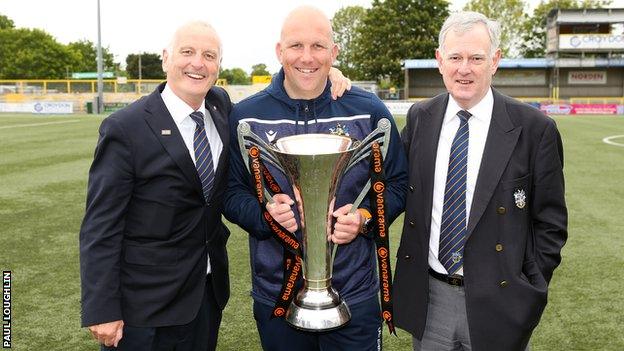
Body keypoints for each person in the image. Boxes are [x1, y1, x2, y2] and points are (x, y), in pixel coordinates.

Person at [224, 6, 407, 351]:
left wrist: (365, 219)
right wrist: (265, 217)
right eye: (296, 46)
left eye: (318, 46)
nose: (307, 58)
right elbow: (232, 193)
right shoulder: (246, 116)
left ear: (334, 52)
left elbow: (397, 185)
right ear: (279, 51)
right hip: (277, 292)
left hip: (355, 291)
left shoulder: (369, 110)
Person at [394, 11, 568, 351]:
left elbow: (551, 223)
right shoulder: (420, 118)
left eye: (476, 58)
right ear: (439, 61)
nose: (464, 68)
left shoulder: (535, 129)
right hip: (430, 302)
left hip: (500, 303)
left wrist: (526, 288)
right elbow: (393, 186)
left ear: (495, 61)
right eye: (455, 57)